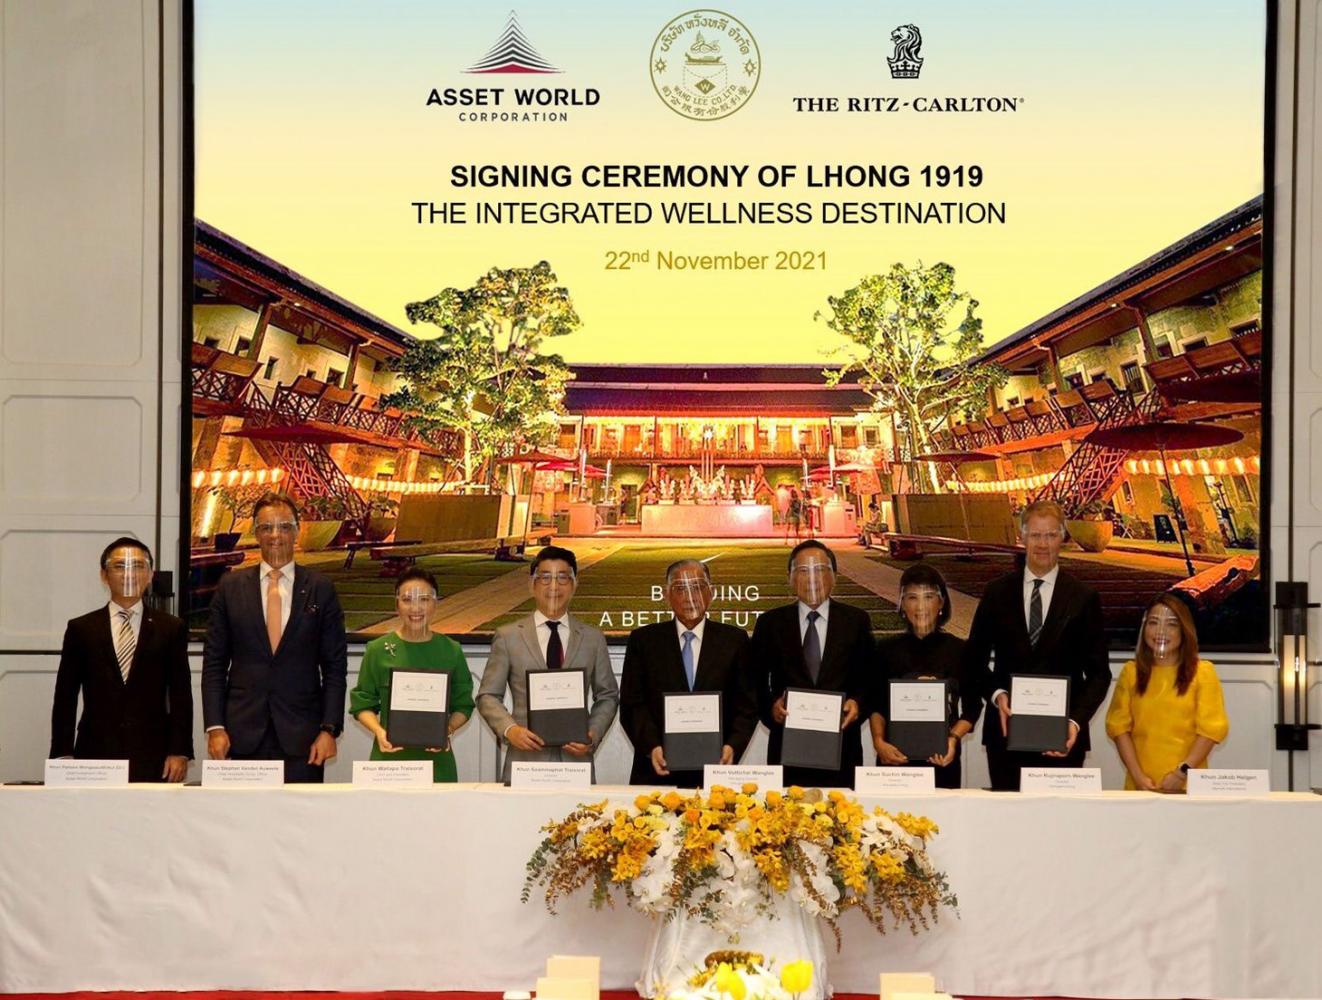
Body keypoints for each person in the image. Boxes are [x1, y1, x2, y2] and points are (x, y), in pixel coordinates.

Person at [963, 499, 1111, 791]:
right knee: (1010, 828)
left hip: (1063, 737)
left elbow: (1099, 674)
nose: (1043, 544)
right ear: (1022, 537)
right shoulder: (996, 592)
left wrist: (1076, 723)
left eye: (1051, 535)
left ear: (1063, 538)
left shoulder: (1084, 597)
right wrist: (997, 695)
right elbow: (973, 659)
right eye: (1035, 535)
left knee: (1059, 829)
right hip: (1006, 735)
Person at [201, 491, 348, 783]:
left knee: (300, 825)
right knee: (241, 825)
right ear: (256, 532)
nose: (275, 535)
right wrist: (215, 727)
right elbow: (214, 664)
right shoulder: (230, 588)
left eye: (284, 526)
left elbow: (334, 668)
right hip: (240, 735)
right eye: (266, 527)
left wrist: (329, 729)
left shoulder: (321, 588)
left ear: (297, 531)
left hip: (304, 739)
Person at [49, 538, 192, 782]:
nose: (129, 574)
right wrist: (62, 754)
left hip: (154, 755)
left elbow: (180, 694)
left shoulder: (171, 628)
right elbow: (65, 695)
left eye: (138, 566)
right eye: (119, 566)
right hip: (94, 753)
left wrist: (180, 751)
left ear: (150, 575)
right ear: (104, 575)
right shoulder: (81, 628)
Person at [476, 545, 618, 782]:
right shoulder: (508, 635)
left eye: (563, 577)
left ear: (574, 584)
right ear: (532, 585)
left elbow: (608, 696)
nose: (554, 586)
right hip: (525, 760)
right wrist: (511, 731)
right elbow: (488, 695)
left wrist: (592, 734)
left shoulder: (593, 638)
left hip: (575, 762)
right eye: (545, 578)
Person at [619, 559, 759, 786]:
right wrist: (651, 747)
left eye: (696, 587)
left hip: (716, 772)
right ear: (666, 595)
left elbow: (747, 706)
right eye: (680, 588)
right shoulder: (644, 640)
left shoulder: (735, 640)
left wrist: (732, 745)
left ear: (711, 592)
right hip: (656, 771)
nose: (689, 596)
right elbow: (632, 704)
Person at [753, 540, 873, 788]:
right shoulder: (770, 623)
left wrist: (858, 703)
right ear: (790, 578)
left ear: (834, 576)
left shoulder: (856, 621)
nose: (812, 578)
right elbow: (754, 681)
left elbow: (869, 677)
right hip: (788, 750)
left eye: (819, 569)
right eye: (803, 571)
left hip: (842, 749)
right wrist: (771, 708)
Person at [349, 568, 474, 782]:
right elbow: (362, 705)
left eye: (424, 599)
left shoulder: (451, 650)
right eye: (407, 600)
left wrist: (449, 729)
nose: (415, 608)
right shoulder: (377, 649)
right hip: (389, 763)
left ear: (436, 603)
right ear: (396, 604)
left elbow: (463, 705)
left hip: (438, 764)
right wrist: (379, 731)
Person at [868, 563, 979, 788]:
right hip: (894, 763)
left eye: (928, 596)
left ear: (941, 603)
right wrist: (879, 742)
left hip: (942, 760)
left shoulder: (960, 650)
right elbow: (876, 705)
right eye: (912, 597)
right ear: (902, 604)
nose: (920, 606)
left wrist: (953, 739)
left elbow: (972, 708)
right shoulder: (884, 650)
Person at [1105, 594, 1229, 791]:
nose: (1161, 631)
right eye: (1153, 622)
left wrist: (1181, 773)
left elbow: (1211, 730)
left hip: (1189, 786)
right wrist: (1138, 776)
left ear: (1184, 630)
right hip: (1140, 786)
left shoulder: (1203, 673)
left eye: (1172, 624)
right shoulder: (1131, 672)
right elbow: (1119, 729)